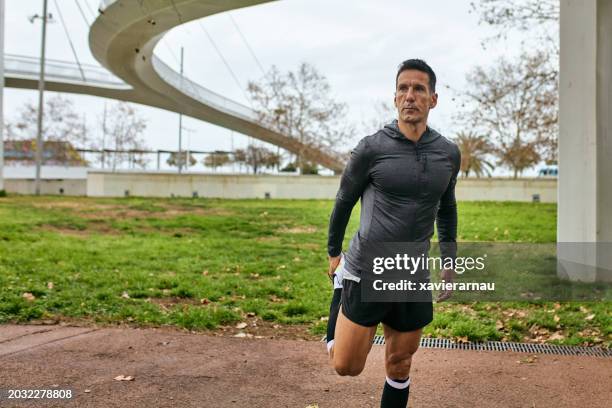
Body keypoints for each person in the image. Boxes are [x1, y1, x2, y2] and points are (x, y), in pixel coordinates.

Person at [325, 59, 460, 407]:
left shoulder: (448, 153)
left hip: (412, 274)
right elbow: (344, 201)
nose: (410, 96)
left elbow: (447, 207)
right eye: (403, 88)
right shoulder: (371, 149)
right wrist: (333, 251)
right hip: (366, 270)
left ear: (433, 99)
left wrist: (449, 260)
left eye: (418, 89)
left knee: (400, 364)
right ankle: (340, 290)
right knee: (346, 366)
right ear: (395, 97)